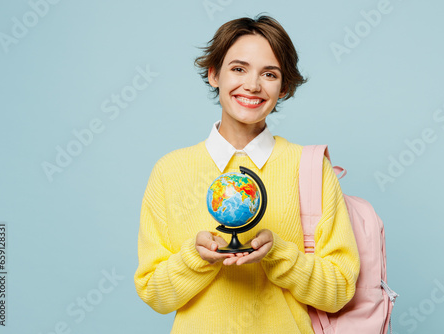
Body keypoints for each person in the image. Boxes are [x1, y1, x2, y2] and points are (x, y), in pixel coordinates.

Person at [134, 15, 360, 333]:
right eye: (238, 68)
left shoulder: (309, 167)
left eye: (269, 74)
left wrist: (279, 253)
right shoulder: (171, 171)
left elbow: (337, 292)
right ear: (214, 74)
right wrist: (196, 258)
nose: (252, 85)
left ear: (283, 88)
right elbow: (155, 293)